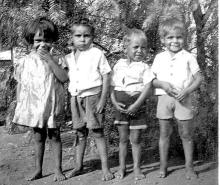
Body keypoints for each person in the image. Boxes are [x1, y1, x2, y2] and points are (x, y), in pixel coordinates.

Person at [13, 17, 68, 181]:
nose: (42, 44)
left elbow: (64, 78)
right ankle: (38, 169)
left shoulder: (58, 58)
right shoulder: (24, 61)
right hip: (35, 107)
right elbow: (20, 85)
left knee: (55, 136)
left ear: (53, 40)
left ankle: (58, 169)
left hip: (52, 105)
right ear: (31, 40)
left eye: (47, 40)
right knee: (38, 137)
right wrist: (19, 106)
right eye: (38, 40)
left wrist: (50, 60)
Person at [62, 18, 114, 181]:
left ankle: (105, 168)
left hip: (93, 97)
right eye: (78, 36)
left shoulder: (97, 54)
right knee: (80, 133)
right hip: (75, 98)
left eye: (87, 35)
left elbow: (106, 76)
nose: (82, 39)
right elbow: (65, 78)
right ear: (72, 38)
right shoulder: (68, 58)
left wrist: (102, 99)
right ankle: (78, 166)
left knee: (97, 132)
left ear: (92, 37)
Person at [151, 17, 203, 180]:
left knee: (186, 135)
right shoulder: (159, 57)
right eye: (170, 37)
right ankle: (163, 166)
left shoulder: (188, 57)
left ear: (184, 38)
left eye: (179, 37)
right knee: (164, 134)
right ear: (163, 40)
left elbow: (199, 78)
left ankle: (189, 167)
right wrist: (163, 84)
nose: (175, 41)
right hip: (164, 99)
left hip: (183, 100)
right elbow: (151, 80)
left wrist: (187, 91)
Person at [110, 28, 155, 180]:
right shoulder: (118, 64)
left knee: (135, 140)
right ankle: (122, 168)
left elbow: (148, 87)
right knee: (122, 139)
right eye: (136, 47)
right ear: (125, 48)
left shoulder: (144, 67)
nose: (140, 51)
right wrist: (115, 103)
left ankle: (137, 168)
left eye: (143, 48)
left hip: (137, 108)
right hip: (120, 108)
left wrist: (136, 105)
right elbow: (111, 86)